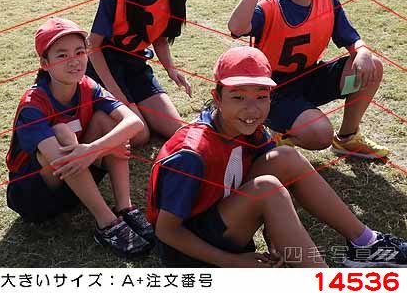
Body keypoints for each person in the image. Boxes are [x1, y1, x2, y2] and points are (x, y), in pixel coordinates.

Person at [147, 46, 407, 267]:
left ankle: (364, 243)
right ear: (217, 98)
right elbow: (167, 231)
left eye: (261, 97)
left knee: (285, 157)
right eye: (238, 97)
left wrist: (276, 236)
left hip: (223, 219)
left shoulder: (248, 128)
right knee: (267, 189)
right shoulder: (192, 154)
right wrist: (232, 262)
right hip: (187, 253)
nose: (252, 109)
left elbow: (276, 174)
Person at [228, 0, 388, 158]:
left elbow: (351, 39)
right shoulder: (271, 4)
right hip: (272, 89)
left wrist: (362, 50)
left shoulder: (327, 0)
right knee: (320, 134)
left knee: (372, 66)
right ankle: (276, 133)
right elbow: (236, 27)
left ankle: (347, 138)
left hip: (310, 78)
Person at [6, 17, 154, 258]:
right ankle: (107, 224)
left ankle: (124, 208)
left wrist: (95, 149)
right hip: (35, 196)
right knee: (62, 132)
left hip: (77, 184)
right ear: (45, 63)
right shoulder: (33, 104)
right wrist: (102, 149)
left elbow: (134, 122)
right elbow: (62, 159)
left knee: (108, 122)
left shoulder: (88, 85)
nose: (74, 60)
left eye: (79, 51)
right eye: (62, 55)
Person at [86, 0, 191, 146]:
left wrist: (171, 70)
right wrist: (114, 91)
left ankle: (132, 107)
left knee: (176, 128)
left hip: (135, 65)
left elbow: (160, 38)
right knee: (139, 135)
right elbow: (92, 46)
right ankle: (96, 112)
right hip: (104, 66)